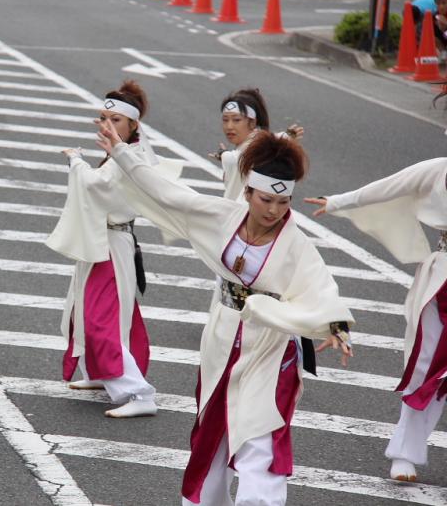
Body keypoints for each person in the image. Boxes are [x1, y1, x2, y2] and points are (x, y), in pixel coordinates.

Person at [99, 126, 354, 505]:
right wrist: (122, 152)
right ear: (247, 191)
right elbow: (168, 193)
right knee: (211, 433)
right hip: (221, 337)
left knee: (261, 434)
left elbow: (320, 284)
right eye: (266, 199)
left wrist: (335, 324)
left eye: (283, 204)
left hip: (270, 348)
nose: (274, 211)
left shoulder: (295, 242)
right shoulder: (223, 215)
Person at [46, 80, 183, 418]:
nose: (107, 125)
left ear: (133, 124)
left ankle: (137, 392)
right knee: (98, 312)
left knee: (99, 318)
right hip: (106, 241)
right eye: (103, 118)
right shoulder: (125, 150)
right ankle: (103, 375)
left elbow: (97, 186)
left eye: (115, 119)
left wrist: (76, 161)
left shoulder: (128, 155)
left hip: (111, 245)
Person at [305, 158, 447, 483]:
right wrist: (339, 201)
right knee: (424, 367)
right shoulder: (438, 170)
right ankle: (405, 452)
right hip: (441, 282)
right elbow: (390, 186)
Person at [209, 89, 303, 201]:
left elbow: (240, 157)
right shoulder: (253, 143)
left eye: (236, 120)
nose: (229, 126)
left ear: (252, 122)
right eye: (225, 120)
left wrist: (224, 154)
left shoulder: (259, 144)